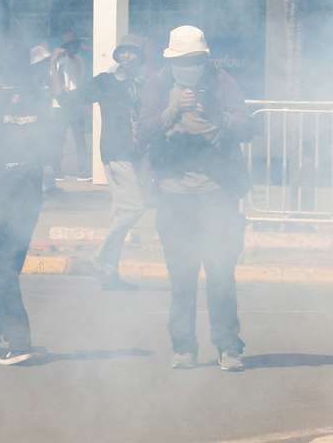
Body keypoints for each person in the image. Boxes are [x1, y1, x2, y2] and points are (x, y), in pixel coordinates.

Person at [139, 25, 253, 373]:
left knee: (220, 273)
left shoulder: (222, 83)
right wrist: (171, 109)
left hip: (216, 194)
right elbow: (142, 133)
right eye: (184, 61)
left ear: (205, 60)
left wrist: (219, 117)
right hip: (175, 197)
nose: (191, 67)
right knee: (182, 277)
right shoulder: (158, 85)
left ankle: (228, 346)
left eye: (197, 61)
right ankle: (184, 347)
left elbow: (248, 127)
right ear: (171, 61)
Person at [0, 43, 55, 366]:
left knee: (8, 269)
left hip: (25, 198)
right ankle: (18, 340)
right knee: (5, 270)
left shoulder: (39, 102)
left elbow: (48, 146)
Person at [68, 34, 149, 290]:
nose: (127, 56)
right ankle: (98, 257)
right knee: (135, 207)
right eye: (123, 51)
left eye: (132, 52)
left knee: (120, 212)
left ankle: (109, 273)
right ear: (117, 56)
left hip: (136, 154)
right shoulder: (105, 81)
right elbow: (75, 98)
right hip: (116, 152)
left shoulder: (140, 84)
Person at [50, 30, 90, 180]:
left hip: (76, 103)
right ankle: (56, 170)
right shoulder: (58, 61)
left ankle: (83, 171)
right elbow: (54, 84)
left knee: (80, 138)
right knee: (59, 139)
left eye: (75, 44)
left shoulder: (78, 59)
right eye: (69, 45)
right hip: (60, 106)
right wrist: (54, 61)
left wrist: (83, 101)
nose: (73, 47)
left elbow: (80, 80)